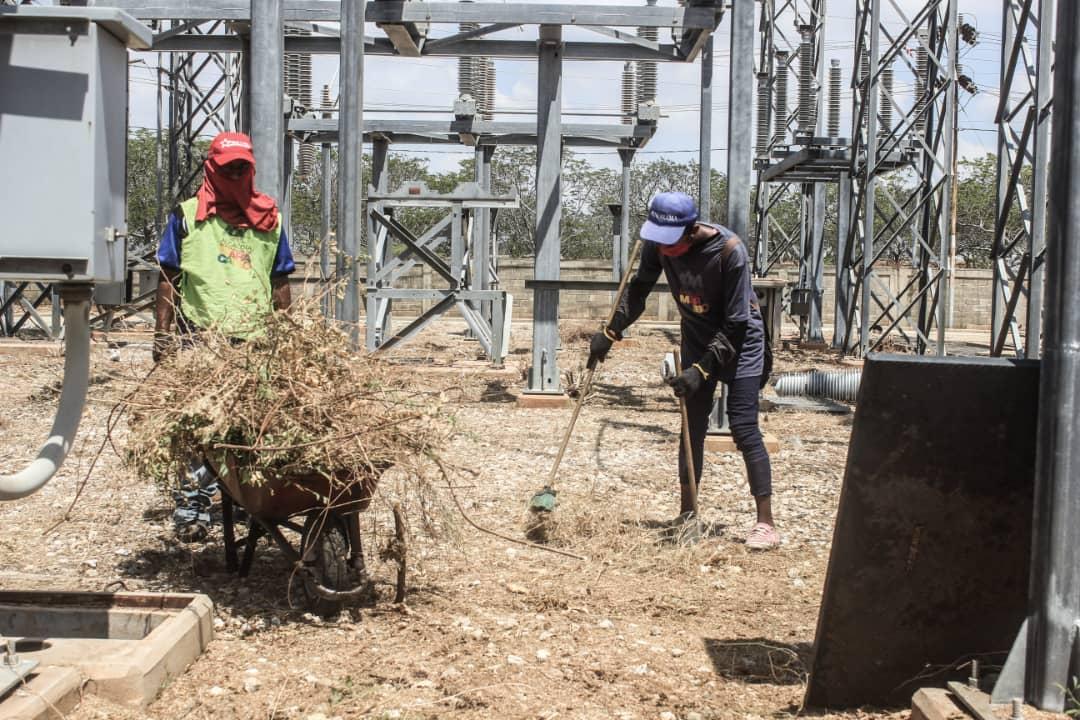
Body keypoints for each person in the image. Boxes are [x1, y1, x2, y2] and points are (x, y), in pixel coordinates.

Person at [587, 192, 778, 550]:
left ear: (691, 231)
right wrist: (610, 331)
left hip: (741, 343)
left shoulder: (729, 252)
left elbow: (737, 323)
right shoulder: (657, 243)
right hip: (696, 336)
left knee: (743, 427)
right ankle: (688, 514)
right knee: (692, 427)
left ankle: (765, 523)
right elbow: (639, 289)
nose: (664, 250)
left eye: (670, 242)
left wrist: (701, 371)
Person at [153, 131, 295, 540]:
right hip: (202, 337)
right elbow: (169, 275)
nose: (235, 172)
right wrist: (162, 333)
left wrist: (288, 336)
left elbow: (279, 279)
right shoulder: (187, 216)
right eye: (227, 166)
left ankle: (254, 503)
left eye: (242, 167)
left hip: (256, 341)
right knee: (202, 426)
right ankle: (193, 507)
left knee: (256, 426)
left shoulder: (269, 218)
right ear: (211, 168)